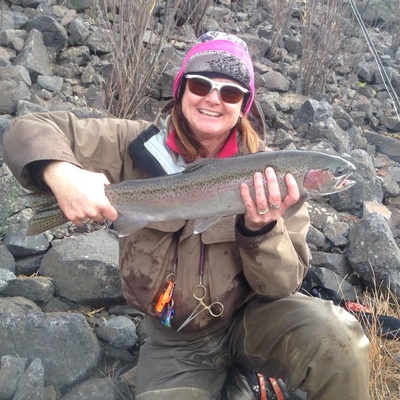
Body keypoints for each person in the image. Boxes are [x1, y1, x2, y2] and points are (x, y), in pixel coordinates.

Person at [4, 31, 370, 400]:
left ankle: (248, 371)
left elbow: (281, 288)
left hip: (253, 320)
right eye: (200, 84)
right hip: (175, 342)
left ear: (244, 104)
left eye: (230, 93)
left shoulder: (277, 181)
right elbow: (27, 128)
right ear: (181, 89)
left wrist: (261, 229)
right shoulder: (130, 144)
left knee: (339, 340)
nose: (213, 98)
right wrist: (60, 173)